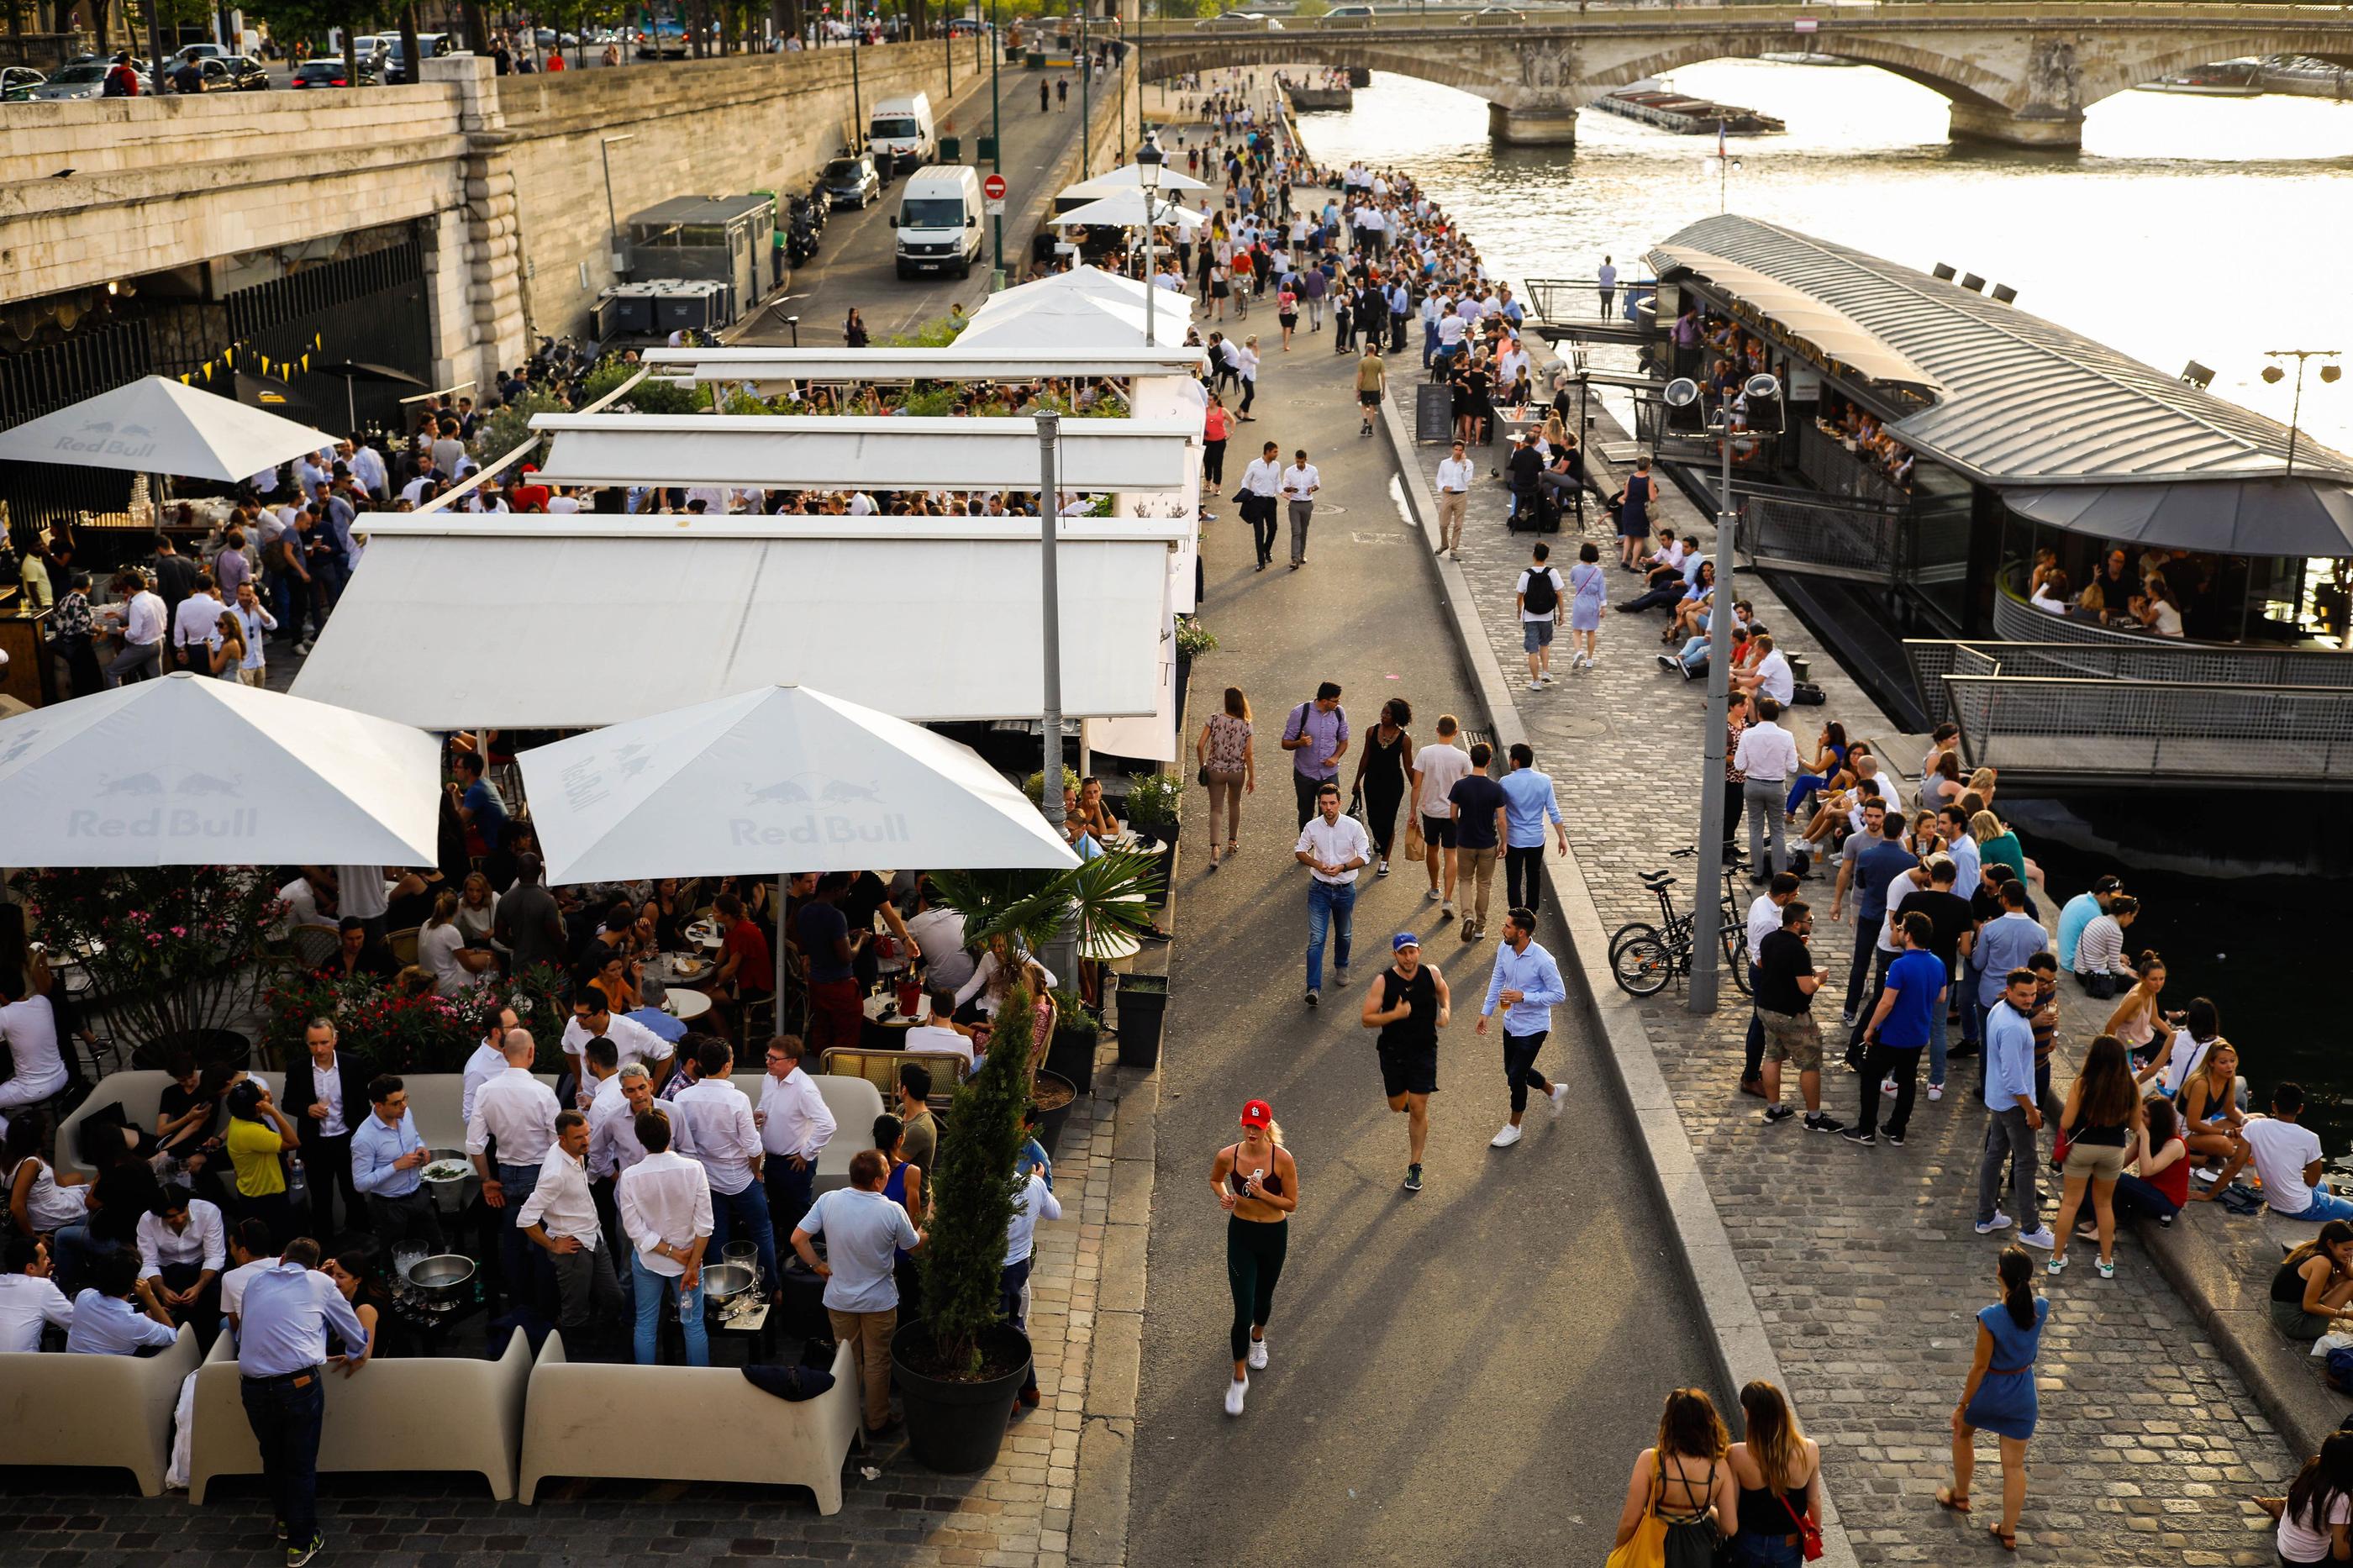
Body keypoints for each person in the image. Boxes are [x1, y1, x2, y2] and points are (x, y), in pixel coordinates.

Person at [236, 1238, 371, 1565]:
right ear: (315, 1265)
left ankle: (284, 1520)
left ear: (281, 1259)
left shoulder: (255, 1281)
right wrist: (356, 1353)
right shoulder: (322, 1283)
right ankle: (301, 1540)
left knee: (272, 1455)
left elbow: (243, 1334)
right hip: (297, 1386)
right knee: (300, 1463)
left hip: (252, 1385)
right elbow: (354, 1334)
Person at [792, 1148, 922, 1434]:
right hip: (879, 1301)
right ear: (877, 1181)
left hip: (839, 1298)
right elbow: (912, 1247)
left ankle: (847, 1419)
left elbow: (798, 1238)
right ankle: (877, 1420)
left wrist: (818, 1266)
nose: (889, 1176)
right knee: (877, 1360)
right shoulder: (891, 1210)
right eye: (887, 1173)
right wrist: (927, 1232)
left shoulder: (829, 1201)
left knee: (847, 1359)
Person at [1937, 1245, 2045, 1550]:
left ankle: (1960, 1495)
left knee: (1963, 1432)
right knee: (2014, 1466)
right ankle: (2008, 1531)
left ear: (1999, 1273)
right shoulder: (2041, 1309)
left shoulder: (1990, 1318)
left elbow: (1980, 1366)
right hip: (2022, 1393)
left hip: (1991, 1390)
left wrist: (1962, 1405)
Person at [672, 1035, 778, 1296]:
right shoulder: (737, 1099)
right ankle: (772, 1289)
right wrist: (756, 1172)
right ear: (728, 1066)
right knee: (762, 1230)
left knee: (715, 1236)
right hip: (740, 1179)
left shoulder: (682, 1098)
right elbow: (753, 1147)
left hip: (705, 1180)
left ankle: (720, 1293)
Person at [466, 1029, 561, 1316]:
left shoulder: (486, 1091)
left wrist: (486, 1180)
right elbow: (558, 1143)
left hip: (506, 1175)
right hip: (539, 1175)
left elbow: (475, 1143)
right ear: (532, 1053)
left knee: (512, 1243)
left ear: (504, 1053)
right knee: (544, 1241)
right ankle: (546, 1310)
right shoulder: (543, 1093)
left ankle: (518, 1307)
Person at [1212, 1099, 1298, 1418]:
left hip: (1273, 1235)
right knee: (1243, 1309)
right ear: (1242, 1123)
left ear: (1267, 1127)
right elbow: (1215, 1178)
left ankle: (1258, 1338)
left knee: (1263, 1300)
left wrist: (1263, 1194)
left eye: (1257, 1127)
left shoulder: (1282, 1159)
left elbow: (1291, 1204)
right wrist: (1223, 1195)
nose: (1251, 1131)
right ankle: (1238, 1378)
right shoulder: (1228, 1156)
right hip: (1242, 1235)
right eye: (1248, 1125)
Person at [519, 1109, 624, 1350]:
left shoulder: (575, 1152)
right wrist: (553, 1244)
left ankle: (604, 1344)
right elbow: (525, 1219)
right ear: (561, 1139)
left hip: (595, 1237)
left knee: (614, 1299)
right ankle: (575, 1359)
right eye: (579, 1137)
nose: (586, 1141)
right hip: (574, 1249)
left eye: (587, 1134)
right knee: (576, 1311)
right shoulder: (555, 1174)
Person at [616, 1109, 713, 1366]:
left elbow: (634, 1229)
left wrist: (672, 1253)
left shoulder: (630, 1176)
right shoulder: (694, 1169)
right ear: (671, 1135)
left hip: (650, 1259)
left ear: (640, 1140)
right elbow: (705, 1225)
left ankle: (646, 1386)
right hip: (688, 1261)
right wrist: (690, 1264)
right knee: (693, 1326)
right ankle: (700, 1385)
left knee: (645, 1325)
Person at [2042, 1035, 2144, 1280]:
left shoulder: (2083, 1084)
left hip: (2082, 1149)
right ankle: (2107, 1262)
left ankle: (2057, 1259)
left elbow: (2066, 1122)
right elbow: (2135, 1123)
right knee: (2104, 1205)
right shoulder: (2131, 1087)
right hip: (2113, 1151)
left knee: (2070, 1203)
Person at [1361, 933, 1450, 1194]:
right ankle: (1406, 1099)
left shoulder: (1431, 974)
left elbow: (1444, 991)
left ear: (1419, 951)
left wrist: (1445, 1011)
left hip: (1424, 1051)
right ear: (1395, 956)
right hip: (1393, 1053)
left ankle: (1415, 1165)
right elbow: (1367, 1018)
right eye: (1403, 953)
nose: (1408, 957)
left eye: (1412, 951)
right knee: (1397, 1105)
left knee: (1419, 1109)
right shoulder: (1383, 982)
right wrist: (1395, 1014)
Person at [1474, 905, 1568, 1148]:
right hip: (1511, 1024)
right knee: (1514, 1071)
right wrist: (1486, 1011)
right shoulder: (1504, 950)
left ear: (1522, 933)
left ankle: (1514, 1127)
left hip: (1534, 1028)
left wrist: (1524, 997)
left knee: (1516, 1077)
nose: (1502, 929)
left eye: (1507, 926)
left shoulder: (1543, 961)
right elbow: (1497, 979)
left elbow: (1559, 994)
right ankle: (1554, 1091)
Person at [1610, 1387, 1737, 1566]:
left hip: (1654, 1548)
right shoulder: (1719, 1467)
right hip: (1697, 1552)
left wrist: (1619, 1549)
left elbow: (1630, 1520)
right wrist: (1707, 1515)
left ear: (1670, 1422)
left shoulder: (1651, 1460)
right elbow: (1730, 1527)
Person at [1975, 969, 2052, 1249]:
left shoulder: (1999, 1011)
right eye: (2022, 994)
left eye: (2033, 994)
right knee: (2027, 1162)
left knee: (1995, 1154)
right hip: (2013, 1103)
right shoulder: (2012, 1027)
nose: (2029, 999)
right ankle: (2031, 1227)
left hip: (1998, 1098)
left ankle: (1986, 1215)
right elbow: (2013, 1077)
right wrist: (2031, 1110)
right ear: (2009, 991)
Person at [1756, 901, 1843, 1134]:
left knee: (1773, 1056)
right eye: (1809, 921)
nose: (1811, 924)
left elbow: (1769, 966)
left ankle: (1773, 1109)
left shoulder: (1770, 939)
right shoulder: (1798, 950)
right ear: (1796, 924)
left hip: (1766, 1008)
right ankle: (1814, 1118)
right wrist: (1819, 979)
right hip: (1791, 1015)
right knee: (1810, 1064)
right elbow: (1806, 988)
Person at [282, 1017, 368, 1239]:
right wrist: (307, 1108)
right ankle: (323, 1249)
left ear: (335, 1040)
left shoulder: (353, 1064)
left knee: (354, 1194)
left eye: (324, 1043)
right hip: (315, 1143)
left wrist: (364, 1140)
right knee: (321, 1199)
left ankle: (360, 1244)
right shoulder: (298, 1068)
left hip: (347, 1139)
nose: (319, 1049)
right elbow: (287, 1103)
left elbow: (362, 1106)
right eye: (313, 1044)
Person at [1726, 1381, 1823, 1568]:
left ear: (1750, 1415)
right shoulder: (1809, 1450)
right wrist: (1815, 1533)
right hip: (1789, 1544)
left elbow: (1733, 1505)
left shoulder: (1737, 1454)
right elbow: (1813, 1500)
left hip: (1749, 1541)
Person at [1295, 781, 1371, 1008]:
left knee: (1344, 933)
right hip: (1319, 889)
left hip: (1345, 889)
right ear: (1320, 804)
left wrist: (1343, 867)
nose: (1328, 807)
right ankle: (1313, 988)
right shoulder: (1312, 827)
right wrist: (1317, 864)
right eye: (1324, 803)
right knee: (1317, 939)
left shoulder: (1353, 827)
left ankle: (1341, 965)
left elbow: (1365, 855)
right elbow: (1299, 850)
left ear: (1340, 803)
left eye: (1332, 803)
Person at [350, 1074, 444, 1254]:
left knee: (434, 1249)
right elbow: (360, 1183)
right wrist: (396, 1166)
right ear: (378, 1106)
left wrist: (421, 1148)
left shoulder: (405, 1113)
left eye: (404, 1098)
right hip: (389, 1207)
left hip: (419, 1196)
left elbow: (414, 1137)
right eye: (396, 1103)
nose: (404, 1105)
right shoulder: (364, 1138)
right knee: (396, 1258)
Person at [755, 1034, 834, 1244]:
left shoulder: (804, 1089)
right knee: (778, 1210)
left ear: (792, 1062)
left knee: (799, 1213)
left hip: (794, 1163)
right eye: (768, 1056)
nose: (768, 1062)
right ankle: (786, 1253)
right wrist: (759, 1113)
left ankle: (814, 1255)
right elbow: (764, 1104)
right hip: (772, 1159)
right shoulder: (769, 1078)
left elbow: (828, 1124)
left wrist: (806, 1154)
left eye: (774, 1059)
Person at [1002, 1155, 1062, 1411]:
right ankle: (1029, 1389)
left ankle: (1012, 1396)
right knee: (1015, 1324)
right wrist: (1036, 1184)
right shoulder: (1032, 1185)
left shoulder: (980, 1191)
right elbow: (1055, 1213)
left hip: (993, 1267)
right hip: (1019, 1266)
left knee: (1000, 1329)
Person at [2243, 1082, 2353, 1221]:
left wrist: (2211, 1194)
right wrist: (2302, 1174)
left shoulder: (2254, 1126)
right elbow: (2312, 1181)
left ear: (2273, 1106)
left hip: (2274, 1200)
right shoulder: (2310, 1138)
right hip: (2300, 1207)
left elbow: (2235, 1164)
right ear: (2300, 1108)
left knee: (2328, 1187)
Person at [134, 1183, 225, 1347]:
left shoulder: (208, 1211)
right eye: (171, 1217)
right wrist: (162, 1290)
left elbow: (215, 1256)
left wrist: (198, 1287)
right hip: (167, 1270)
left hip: (202, 1268)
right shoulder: (147, 1221)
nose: (178, 1219)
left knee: (213, 1304)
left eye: (181, 1213)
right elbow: (148, 1263)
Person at [223, 1079, 303, 1249]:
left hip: (252, 1192)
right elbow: (293, 1142)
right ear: (258, 1107)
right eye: (262, 1094)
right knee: (279, 1244)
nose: (267, 1094)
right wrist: (273, 1112)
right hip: (267, 1198)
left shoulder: (237, 1120)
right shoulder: (251, 1132)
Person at [1411, 716, 1472, 924]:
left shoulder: (1425, 753)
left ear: (1437, 730)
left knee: (1432, 849)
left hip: (1430, 811)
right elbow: (1471, 780)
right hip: (1453, 812)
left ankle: (1434, 887)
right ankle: (1447, 898)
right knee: (1451, 853)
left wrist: (1412, 811)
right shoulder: (1462, 757)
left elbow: (1417, 785)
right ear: (1456, 732)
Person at [2262, 1431, 2353, 1565]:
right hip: (2306, 1561)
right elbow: (2341, 1555)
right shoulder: (2340, 1498)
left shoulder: (2314, 1463)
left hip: (2285, 1549)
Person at [1497, 743, 1567, 918]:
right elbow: (1554, 811)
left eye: (1511, 757)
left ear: (1516, 761)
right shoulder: (1544, 781)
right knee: (1533, 874)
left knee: (1514, 877)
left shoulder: (1506, 782)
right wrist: (1562, 837)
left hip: (1514, 838)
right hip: (1536, 838)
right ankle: (1531, 910)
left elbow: (1499, 814)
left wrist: (1501, 839)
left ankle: (1516, 913)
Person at [1734, 699, 1801, 881]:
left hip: (1753, 783)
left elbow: (1739, 765)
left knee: (1755, 828)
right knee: (1777, 830)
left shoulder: (1748, 735)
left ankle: (1757, 871)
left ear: (1759, 714)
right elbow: (1793, 767)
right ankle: (1779, 873)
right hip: (1776, 785)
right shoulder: (1787, 736)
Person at [66, 1249, 178, 1355]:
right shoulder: (137, 1323)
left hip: (73, 1370)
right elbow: (172, 1336)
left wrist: (146, 1318)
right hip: (115, 1374)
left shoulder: (83, 1297)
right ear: (134, 1283)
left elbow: (111, 1324)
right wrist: (150, 1297)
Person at [1349, 697, 1414, 878]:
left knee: (1388, 821)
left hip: (1393, 785)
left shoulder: (1404, 740)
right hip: (1372, 782)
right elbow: (1365, 757)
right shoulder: (1372, 731)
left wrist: (1417, 789)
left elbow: (1408, 766)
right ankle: (1379, 839)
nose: (1383, 716)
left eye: (1388, 714)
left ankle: (1385, 860)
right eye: (1383, 712)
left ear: (1396, 717)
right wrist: (1357, 781)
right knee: (1373, 818)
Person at [1198, 686, 1255, 872]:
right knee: (1235, 803)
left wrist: (1202, 766)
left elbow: (1200, 745)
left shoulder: (1214, 720)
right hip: (1237, 771)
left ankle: (1215, 848)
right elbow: (1248, 754)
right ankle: (1232, 841)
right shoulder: (1246, 725)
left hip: (1215, 769)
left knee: (1216, 808)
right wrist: (1252, 777)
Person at [1281, 681, 1350, 829]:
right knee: (1306, 814)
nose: (1338, 703)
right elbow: (1285, 743)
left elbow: (1344, 741)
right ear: (1324, 701)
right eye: (1335, 700)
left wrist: (1335, 757)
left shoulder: (1339, 712)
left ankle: (1324, 849)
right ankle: (1305, 847)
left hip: (1329, 774)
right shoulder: (1300, 713)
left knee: (1329, 814)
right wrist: (1299, 743)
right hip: (1305, 774)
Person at [2269, 1221, 2353, 1341]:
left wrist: (2346, 1262)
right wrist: (2346, 1315)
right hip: (2297, 1324)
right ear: (2330, 1244)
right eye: (2346, 1249)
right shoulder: (2322, 1263)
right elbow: (2309, 1306)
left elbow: (2350, 1274)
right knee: (2351, 1285)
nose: (2350, 1254)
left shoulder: (2312, 1247)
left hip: (2280, 1312)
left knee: (2346, 1279)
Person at [0, 980, 67, 1122]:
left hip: (33, 1088)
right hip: (61, 1075)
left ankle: (15, 1137)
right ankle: (27, 1120)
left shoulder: (4, 1014)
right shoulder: (42, 1001)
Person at [0, 1234, 74, 1351]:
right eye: (44, 1258)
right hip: (19, 1366)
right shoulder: (43, 1287)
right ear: (30, 1268)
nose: (49, 1260)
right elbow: (75, 1324)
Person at [1516, 541, 1564, 692]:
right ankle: (1546, 671)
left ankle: (1535, 681)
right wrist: (1562, 613)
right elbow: (1559, 594)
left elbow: (1519, 595)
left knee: (1532, 650)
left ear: (1534, 554)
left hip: (1530, 616)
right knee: (1545, 644)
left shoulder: (1526, 574)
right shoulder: (1552, 573)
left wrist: (1519, 610)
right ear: (1547, 556)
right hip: (1547, 615)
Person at [1566, 540, 1606, 672]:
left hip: (1579, 601)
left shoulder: (1575, 569)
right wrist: (1603, 606)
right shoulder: (1598, 572)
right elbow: (1602, 590)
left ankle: (1578, 652)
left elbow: (1572, 580)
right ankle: (1589, 659)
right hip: (1592, 603)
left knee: (1577, 630)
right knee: (1591, 631)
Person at [1433, 439, 1473, 559]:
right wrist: (1443, 487)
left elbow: (1467, 480)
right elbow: (1439, 478)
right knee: (1443, 524)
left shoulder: (1468, 464)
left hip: (1461, 495)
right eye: (1456, 450)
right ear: (1452, 449)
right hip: (1448, 495)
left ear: (1463, 451)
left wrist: (1464, 464)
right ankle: (1444, 544)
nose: (1458, 452)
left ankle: (1454, 549)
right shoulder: (1445, 463)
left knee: (1458, 525)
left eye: (1460, 450)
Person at [1355, 342, 1385, 438]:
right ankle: (1371, 429)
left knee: (1364, 405)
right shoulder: (1379, 361)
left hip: (1365, 387)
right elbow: (1383, 376)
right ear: (1375, 350)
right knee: (1372, 408)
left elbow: (1360, 376)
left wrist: (1358, 387)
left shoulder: (1362, 361)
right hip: (1375, 387)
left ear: (1366, 350)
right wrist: (1383, 390)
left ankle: (1365, 422)